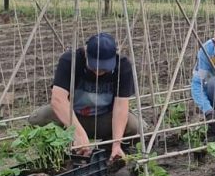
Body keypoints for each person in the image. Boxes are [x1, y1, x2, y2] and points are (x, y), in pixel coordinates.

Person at [29, 32, 142, 163]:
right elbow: (58, 100)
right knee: (38, 119)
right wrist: (78, 133)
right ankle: (60, 157)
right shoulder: (70, 60)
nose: (98, 72)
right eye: (94, 67)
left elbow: (120, 107)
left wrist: (116, 143)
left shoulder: (123, 66)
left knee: (135, 127)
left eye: (104, 68)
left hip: (103, 118)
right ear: (86, 53)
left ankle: (105, 155)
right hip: (73, 117)